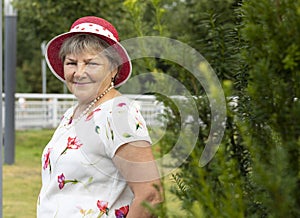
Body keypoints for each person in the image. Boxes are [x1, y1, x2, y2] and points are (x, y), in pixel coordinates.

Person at [37, 16, 163, 218]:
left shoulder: (118, 113)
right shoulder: (74, 113)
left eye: (91, 63)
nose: (79, 73)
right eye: (71, 63)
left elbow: (150, 195)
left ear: (113, 68)